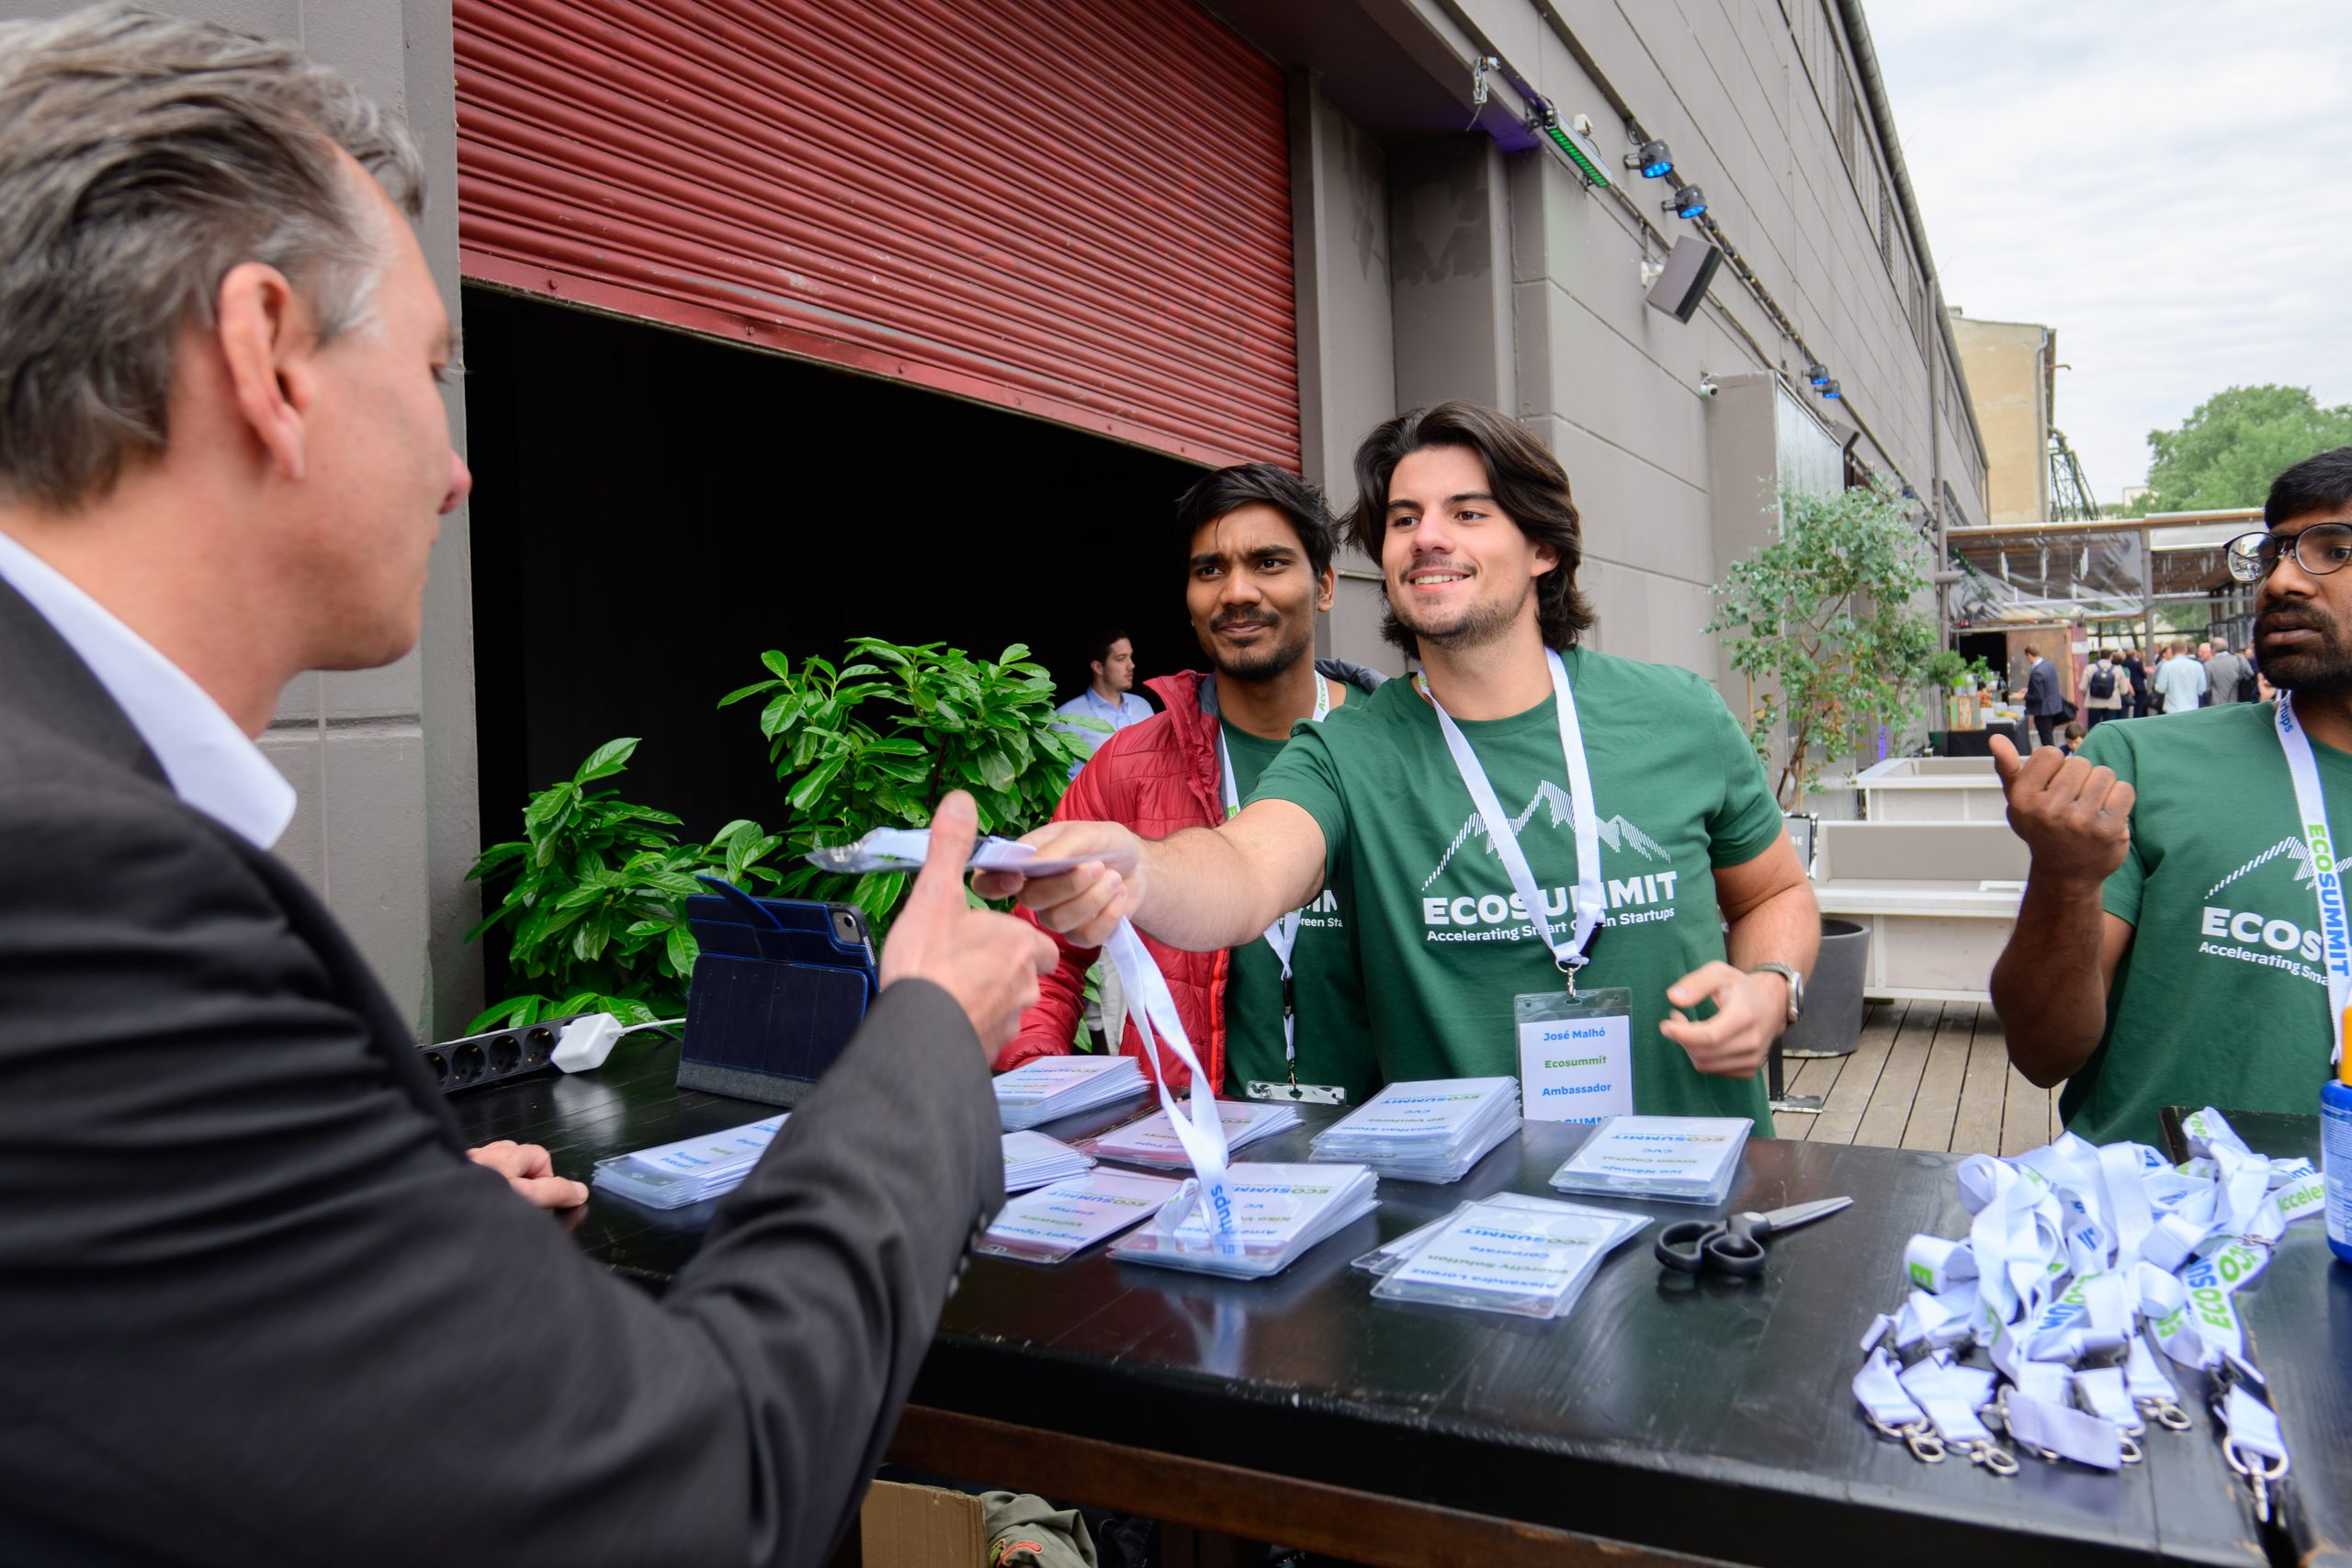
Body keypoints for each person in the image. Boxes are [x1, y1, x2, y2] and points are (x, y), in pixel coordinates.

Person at [0, 11, 1055, 1562]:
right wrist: (926, 1043)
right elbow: (696, 1503)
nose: (457, 466)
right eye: (434, 366)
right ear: (266, 353)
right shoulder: (78, 885)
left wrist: (382, 1238)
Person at [982, 401, 1819, 1127]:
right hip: (1474, 1237)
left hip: (1700, 1202)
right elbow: (1243, 868)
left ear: (1543, 548)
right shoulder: (1349, 747)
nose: (1429, 538)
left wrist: (1772, 985)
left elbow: (1776, 892)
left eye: (1468, 512)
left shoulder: (1678, 714)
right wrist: (1140, 868)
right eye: (1404, 518)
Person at [1987, 446, 2352, 1145]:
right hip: (2157, 1232)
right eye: (2275, 552)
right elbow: (2040, 1054)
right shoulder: (2136, 766)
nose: (2281, 581)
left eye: (2331, 550)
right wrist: (2065, 877)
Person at [998, 464, 1385, 1103]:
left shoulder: (1394, 749)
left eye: (1267, 563)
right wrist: (1051, 1104)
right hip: (1193, 1157)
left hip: (1391, 1155)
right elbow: (1041, 961)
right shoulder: (1129, 765)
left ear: (1323, 586)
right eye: (1210, 569)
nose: (1236, 591)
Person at [1053, 627, 1154, 779]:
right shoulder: (1065, 717)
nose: (1131, 665)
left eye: (1130, 657)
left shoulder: (1143, 707)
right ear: (1098, 667)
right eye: (1121, 658)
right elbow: (1053, 779)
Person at [2016, 642, 2066, 750]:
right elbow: (2047, 686)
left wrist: (2024, 696)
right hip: (2053, 707)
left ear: (2029, 655)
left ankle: (2052, 761)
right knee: (2049, 736)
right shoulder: (2050, 665)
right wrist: (2030, 690)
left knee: (2047, 741)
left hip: (2043, 712)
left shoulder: (2036, 672)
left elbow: (2038, 697)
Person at [2152, 641, 2208, 715]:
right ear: (2186, 650)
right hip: (2192, 708)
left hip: (2172, 709)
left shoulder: (2167, 666)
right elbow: (2202, 689)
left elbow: (2161, 689)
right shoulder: (2198, 666)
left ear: (2172, 651)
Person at [2081, 649, 2125, 730]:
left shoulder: (2089, 668)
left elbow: (2082, 687)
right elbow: (2124, 690)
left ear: (2099, 655)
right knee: (2111, 728)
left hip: (2093, 702)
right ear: (2111, 657)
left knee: (2093, 727)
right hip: (2112, 703)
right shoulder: (2118, 669)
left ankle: (2093, 742)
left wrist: (2087, 695)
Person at [2205, 639, 2249, 706]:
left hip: (2218, 705)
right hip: (2240, 702)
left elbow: (2206, 688)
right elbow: (2251, 676)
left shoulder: (2208, 665)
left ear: (2213, 649)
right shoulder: (2240, 659)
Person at [2122, 647, 2151, 718]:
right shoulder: (2137, 663)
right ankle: (2137, 718)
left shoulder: (2123, 662)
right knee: (2139, 706)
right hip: (2139, 686)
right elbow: (2143, 674)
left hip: (2128, 685)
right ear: (2134, 654)